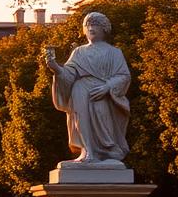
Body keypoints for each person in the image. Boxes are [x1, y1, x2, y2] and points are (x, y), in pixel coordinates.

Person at [45, 11, 131, 167]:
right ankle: (87, 152)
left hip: (101, 92)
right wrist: (56, 68)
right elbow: (69, 74)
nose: (91, 28)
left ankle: (105, 153)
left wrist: (108, 86)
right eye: (88, 25)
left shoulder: (114, 52)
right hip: (80, 90)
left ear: (104, 29)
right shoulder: (79, 52)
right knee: (80, 119)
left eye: (95, 25)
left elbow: (124, 76)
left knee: (102, 119)